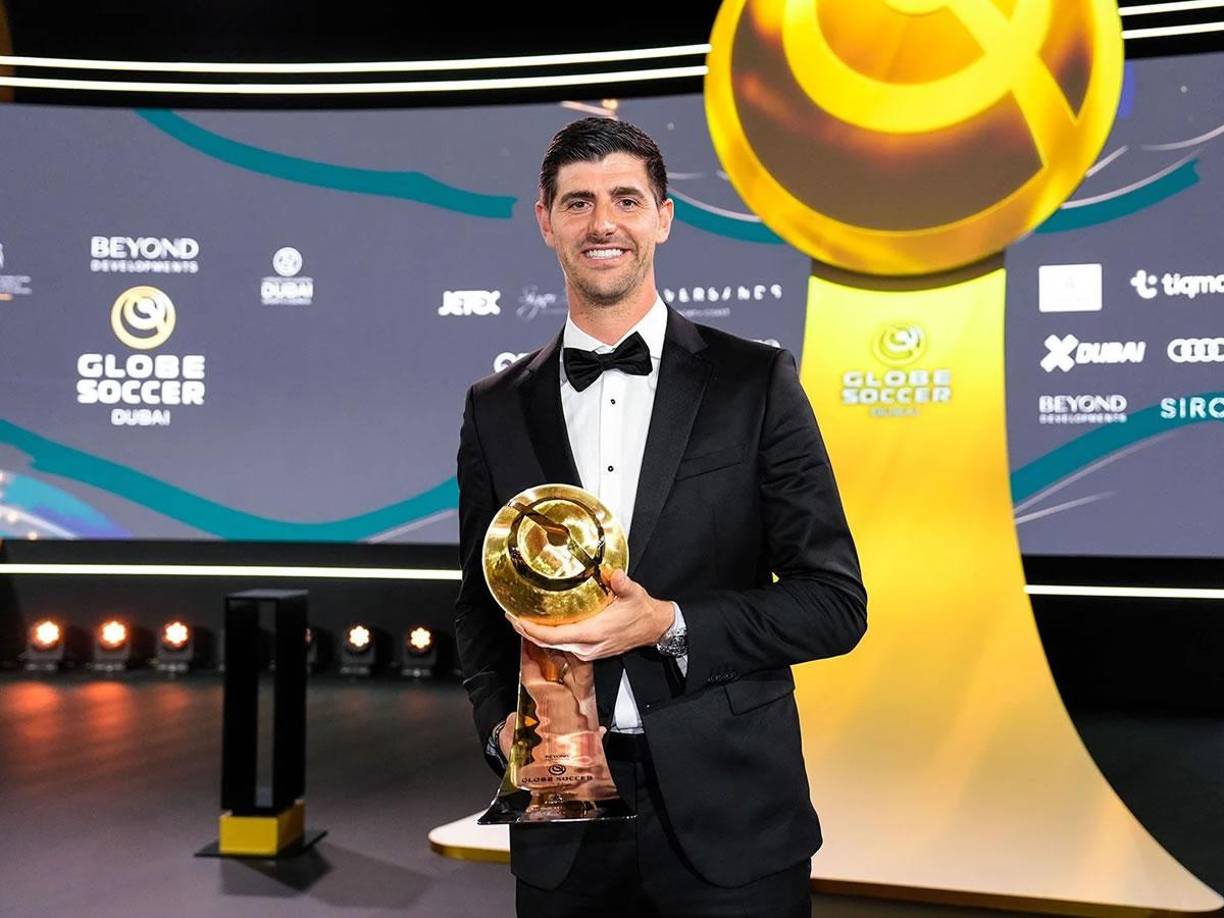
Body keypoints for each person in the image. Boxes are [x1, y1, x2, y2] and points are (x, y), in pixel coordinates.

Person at [455, 116, 867, 917]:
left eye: (625, 199)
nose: (602, 223)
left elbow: (834, 604)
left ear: (663, 217)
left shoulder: (755, 382)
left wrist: (669, 624)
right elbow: (479, 603)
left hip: (732, 819)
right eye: (577, 203)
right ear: (545, 222)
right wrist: (499, 730)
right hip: (561, 818)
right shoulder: (494, 408)